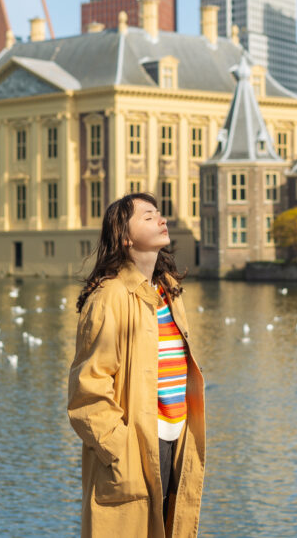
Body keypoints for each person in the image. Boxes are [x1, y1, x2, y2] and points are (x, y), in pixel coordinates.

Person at [68, 193, 206, 537]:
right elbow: (88, 391)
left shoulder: (167, 289)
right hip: (138, 446)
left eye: (159, 214)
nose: (162, 220)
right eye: (148, 216)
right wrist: (121, 450)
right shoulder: (109, 296)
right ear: (125, 237)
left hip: (177, 440)